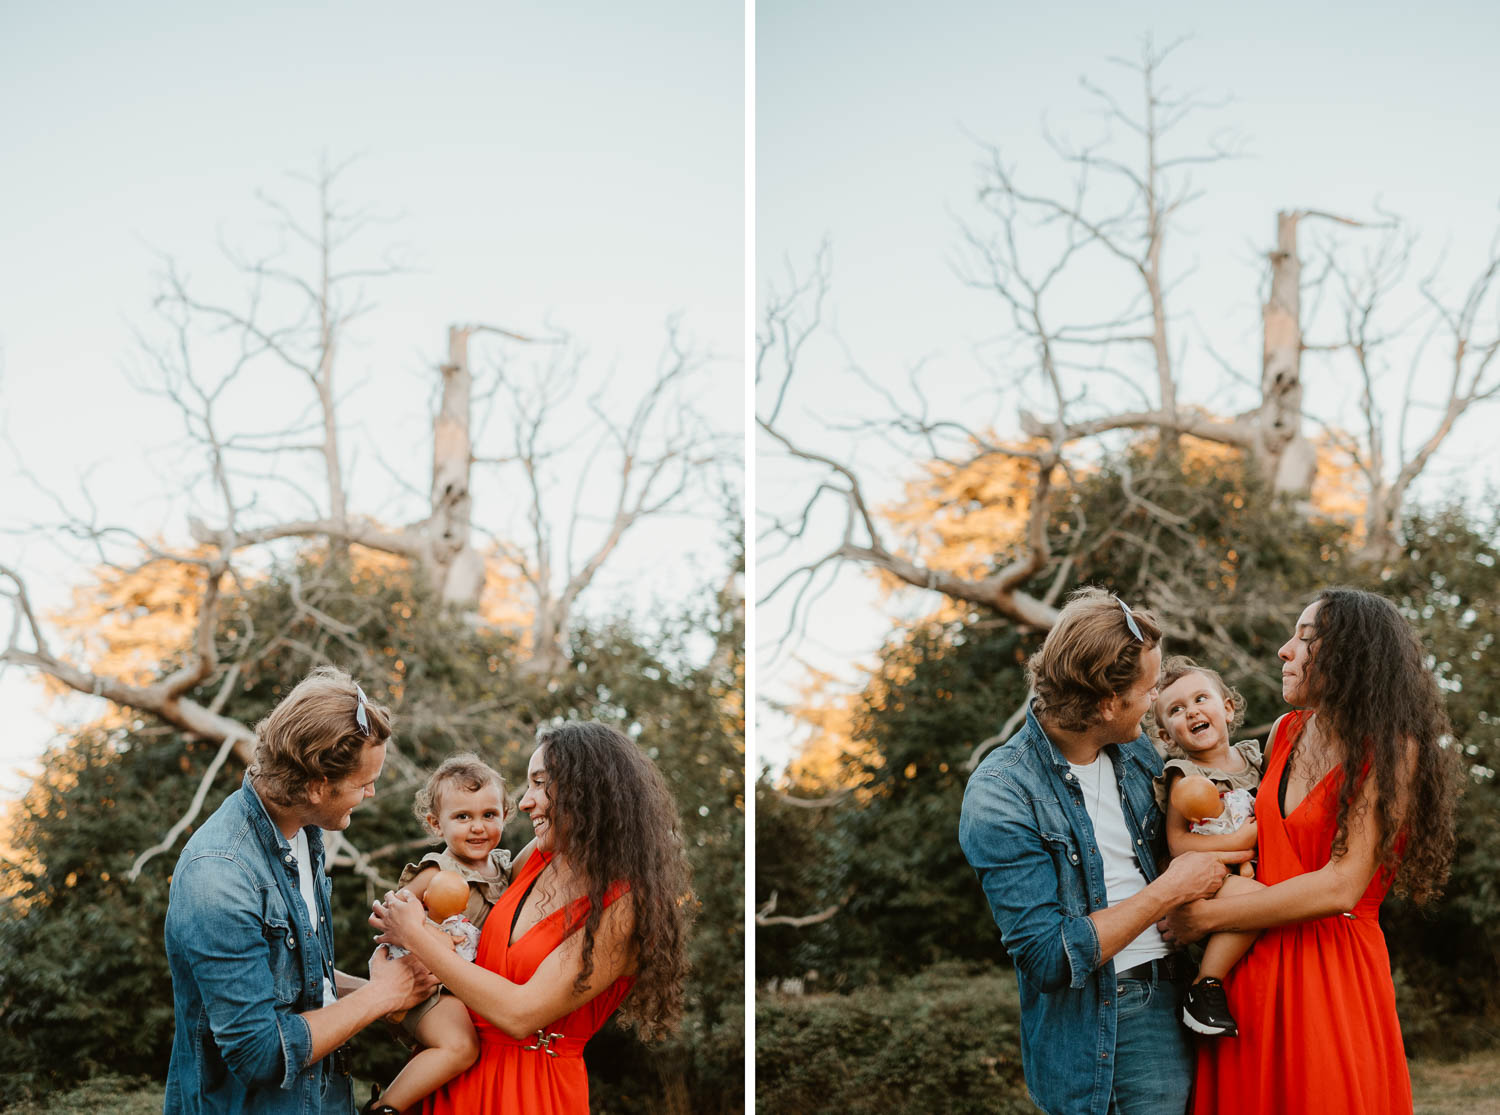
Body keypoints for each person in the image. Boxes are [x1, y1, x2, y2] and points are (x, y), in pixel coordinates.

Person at [1161, 588, 1459, 1115]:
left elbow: (1341, 884)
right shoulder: (1286, 733)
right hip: (1249, 972)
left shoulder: (1394, 751)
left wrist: (1204, 916)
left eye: (1303, 639)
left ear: (1348, 654)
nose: (1284, 651)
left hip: (1333, 973)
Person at [959, 587, 1251, 1115]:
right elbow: (1047, 958)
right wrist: (1168, 893)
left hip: (1188, 989)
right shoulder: (1000, 793)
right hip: (1114, 1021)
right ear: (1106, 703)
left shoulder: (1135, 750)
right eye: (1149, 690)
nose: (1155, 699)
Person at [369, 721, 691, 1115]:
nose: (524, 802)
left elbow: (520, 1014)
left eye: (540, 783)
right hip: (455, 1077)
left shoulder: (626, 907)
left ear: (586, 791)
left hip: (529, 1093)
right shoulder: (537, 858)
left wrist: (416, 936)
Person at [163, 667, 438, 1114]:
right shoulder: (220, 876)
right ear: (315, 786)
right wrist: (382, 996)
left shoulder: (303, 831)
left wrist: (392, 987)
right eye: (363, 782)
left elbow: (302, 987)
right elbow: (259, 1054)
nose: (371, 792)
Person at [368, 754, 517, 1113]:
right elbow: (394, 916)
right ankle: (384, 1108)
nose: (478, 827)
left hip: (465, 987)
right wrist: (431, 935)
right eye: (463, 817)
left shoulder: (505, 868)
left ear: (505, 816)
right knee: (461, 1046)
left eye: (489, 815)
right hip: (428, 985)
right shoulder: (438, 869)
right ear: (437, 825)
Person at [1149, 656, 1266, 1038]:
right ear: (1167, 736)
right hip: (1208, 878)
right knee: (1257, 899)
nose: (1192, 711)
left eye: (1201, 699)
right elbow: (1179, 844)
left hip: (1246, 867)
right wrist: (1239, 844)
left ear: (1228, 708)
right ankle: (1204, 986)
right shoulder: (1184, 776)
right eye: (1177, 710)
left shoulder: (1253, 759)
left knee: (1262, 900)